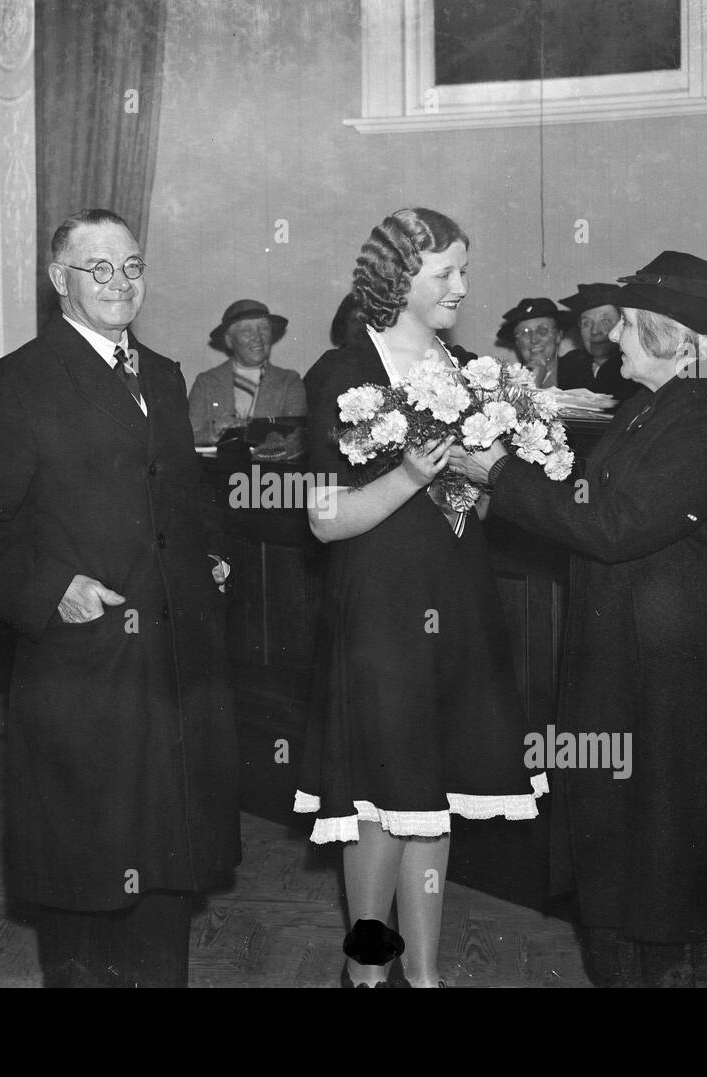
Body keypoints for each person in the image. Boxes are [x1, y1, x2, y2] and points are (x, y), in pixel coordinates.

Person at [0, 208, 239, 988]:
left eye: (132, 265)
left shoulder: (163, 376)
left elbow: (185, 496)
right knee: (85, 875)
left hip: (172, 667)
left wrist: (213, 556)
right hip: (84, 670)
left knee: (167, 872)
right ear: (58, 279)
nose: (120, 282)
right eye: (98, 268)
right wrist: (50, 587)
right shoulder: (15, 386)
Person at [451, 251, 707, 987]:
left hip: (681, 684)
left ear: (677, 336)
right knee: (627, 852)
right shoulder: (652, 409)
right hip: (634, 672)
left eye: (630, 323)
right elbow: (592, 511)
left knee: (667, 860)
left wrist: (499, 474)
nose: (612, 338)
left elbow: (614, 526)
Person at [296, 208, 546, 988]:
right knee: (381, 802)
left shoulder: (472, 368)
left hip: (460, 600)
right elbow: (324, 518)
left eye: (464, 271)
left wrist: (520, 455)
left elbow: (499, 489)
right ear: (397, 277)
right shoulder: (339, 374)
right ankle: (369, 975)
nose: (462, 288)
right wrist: (412, 474)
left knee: (436, 802)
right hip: (382, 610)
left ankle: (428, 978)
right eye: (446, 273)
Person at [187, 299, 306, 445]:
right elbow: (188, 436)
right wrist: (213, 433)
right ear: (229, 341)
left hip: (269, 467)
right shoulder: (205, 383)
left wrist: (245, 427)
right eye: (247, 331)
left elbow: (296, 436)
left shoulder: (290, 382)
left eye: (264, 328)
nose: (257, 337)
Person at [560, 283, 640, 402]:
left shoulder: (634, 372)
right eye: (587, 323)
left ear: (622, 325)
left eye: (605, 321)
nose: (595, 331)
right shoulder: (571, 366)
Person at [497, 297, 594, 391]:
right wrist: (534, 376)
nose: (534, 340)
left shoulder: (579, 370)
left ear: (558, 335)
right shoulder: (504, 384)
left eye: (542, 331)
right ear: (517, 342)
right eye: (525, 333)